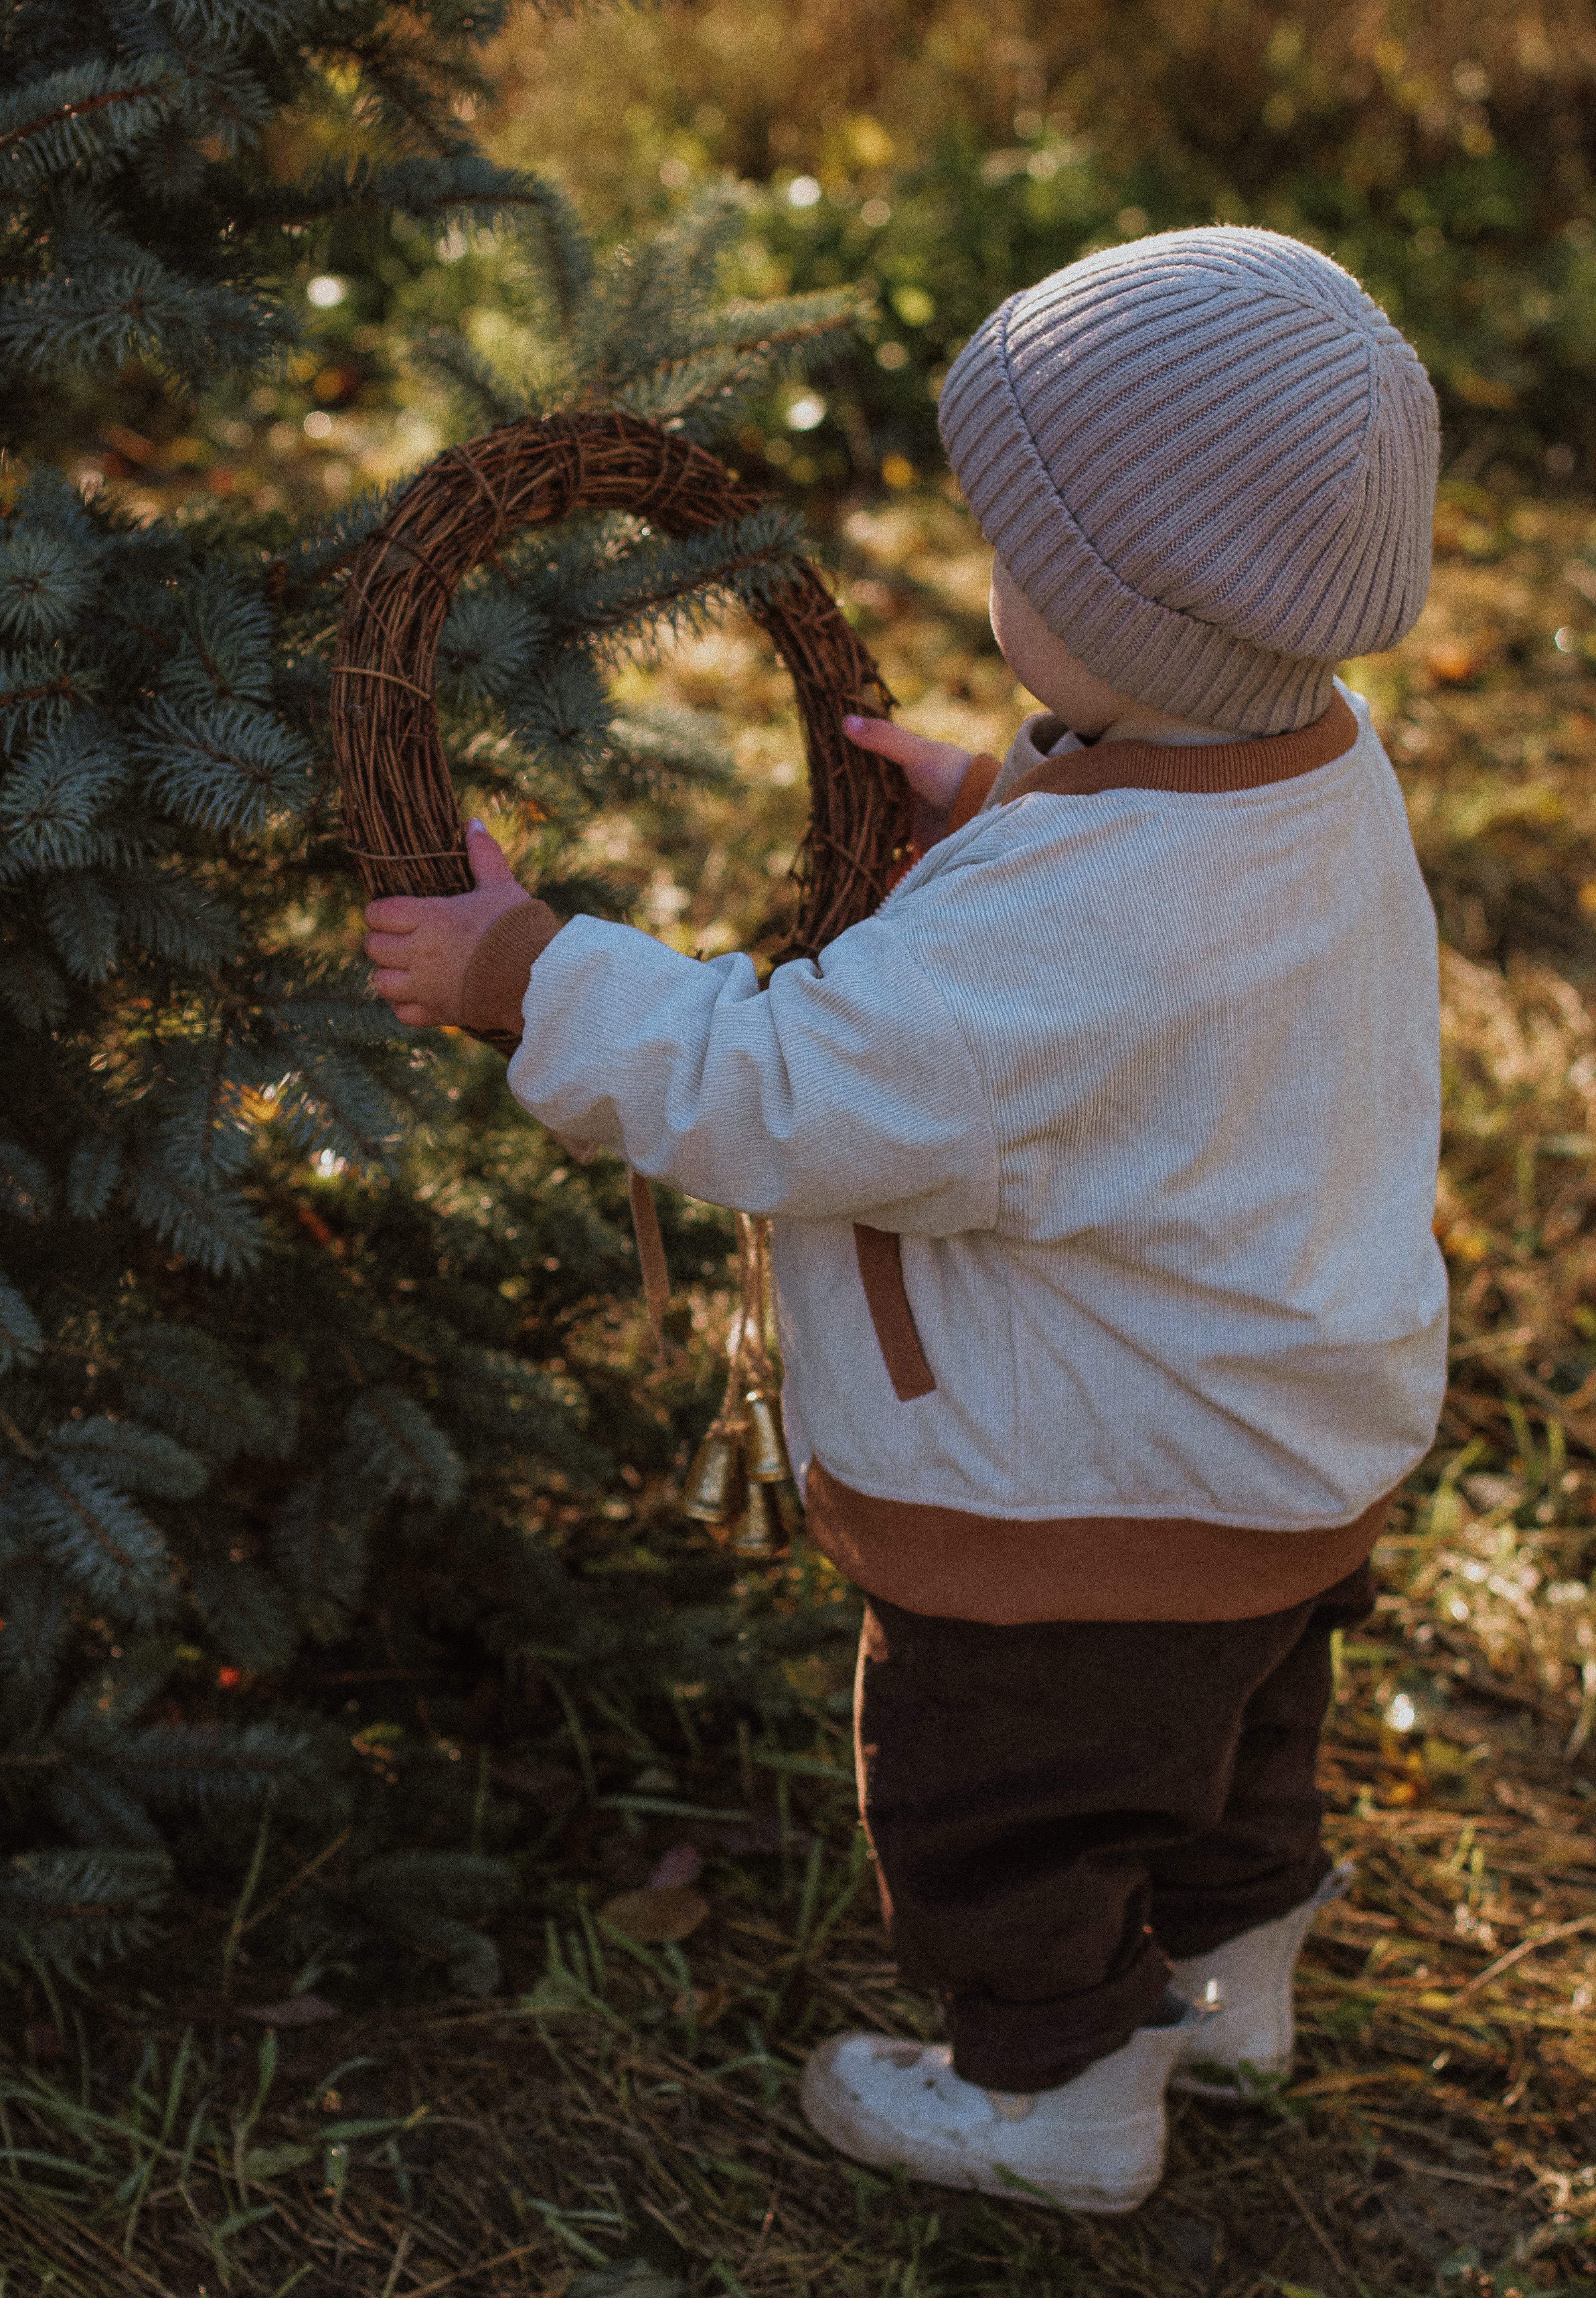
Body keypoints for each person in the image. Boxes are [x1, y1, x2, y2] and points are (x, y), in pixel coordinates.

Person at [362, 226, 1447, 2215]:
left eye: (1020, 556)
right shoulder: (1312, 770)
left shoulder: (1070, 941)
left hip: (1079, 1503)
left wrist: (530, 971)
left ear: (1133, 616)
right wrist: (1002, 804)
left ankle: (1062, 2102)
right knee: (1230, 1735)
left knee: (1006, 1805)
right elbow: (1157, 932)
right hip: (1286, 1445)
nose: (987, 575)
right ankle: (1232, 1988)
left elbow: (783, 1085)